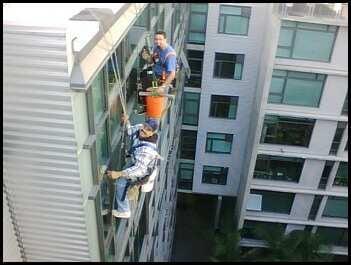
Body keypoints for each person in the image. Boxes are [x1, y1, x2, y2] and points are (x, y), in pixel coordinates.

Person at [107, 115, 160, 218]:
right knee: (124, 175)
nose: (144, 129)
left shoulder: (146, 150)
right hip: (136, 161)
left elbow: (139, 170)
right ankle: (133, 188)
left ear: (152, 133)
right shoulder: (141, 128)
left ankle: (124, 211)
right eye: (145, 126)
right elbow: (130, 132)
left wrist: (118, 174)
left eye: (148, 129)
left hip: (142, 170)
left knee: (121, 183)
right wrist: (126, 122)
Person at [141, 30, 177, 95]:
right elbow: (154, 61)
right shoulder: (157, 48)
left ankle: (154, 89)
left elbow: (172, 74)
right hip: (155, 71)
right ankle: (152, 88)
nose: (158, 41)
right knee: (144, 74)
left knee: (148, 82)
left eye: (160, 39)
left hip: (162, 76)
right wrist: (147, 58)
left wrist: (163, 87)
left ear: (165, 40)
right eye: (156, 39)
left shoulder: (170, 55)